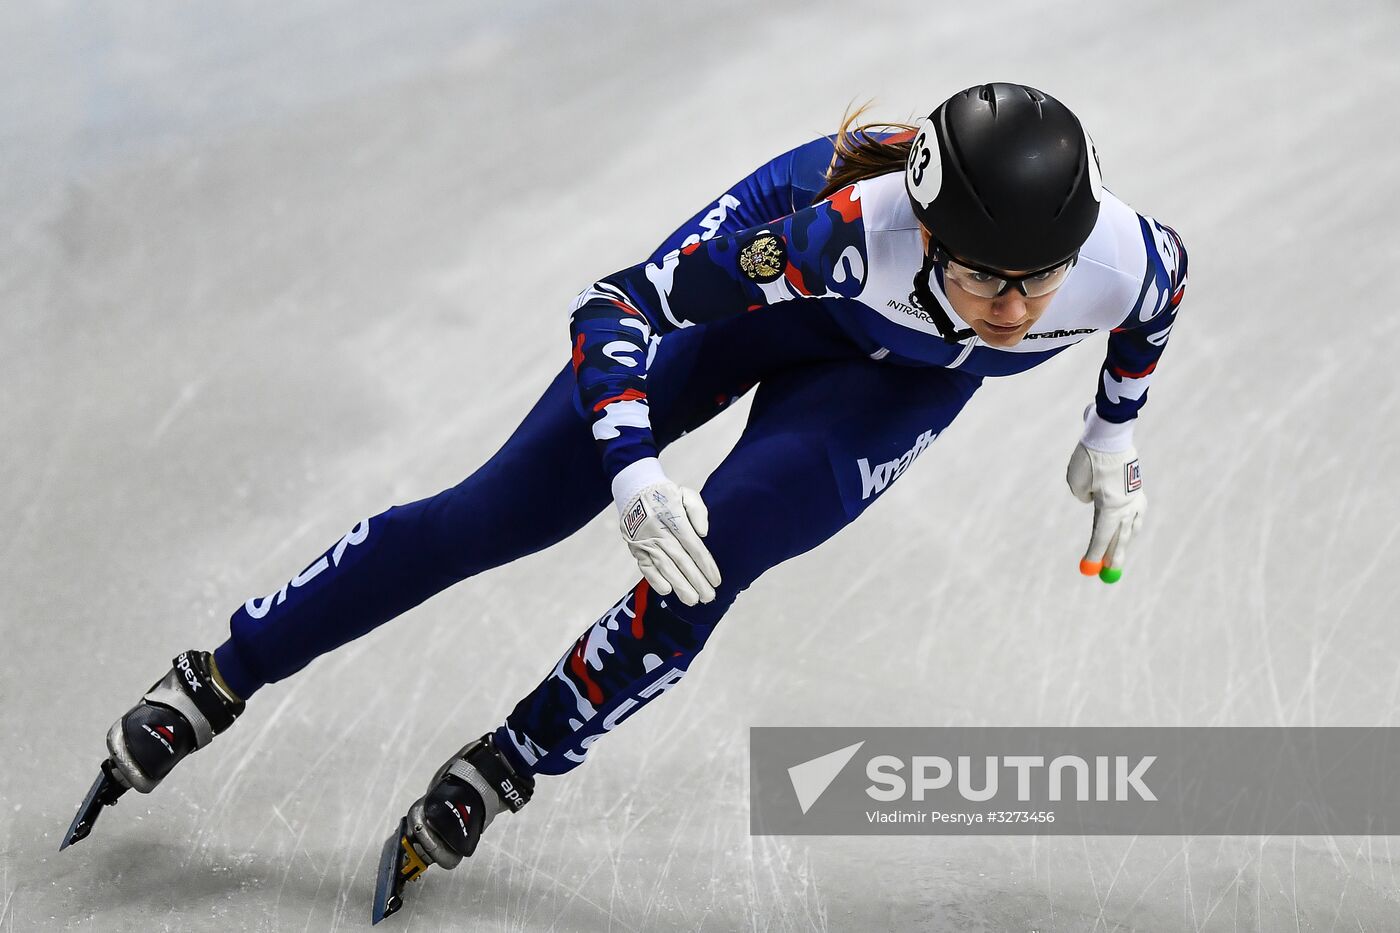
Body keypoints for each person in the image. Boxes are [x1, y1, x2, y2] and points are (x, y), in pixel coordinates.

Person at [63, 83, 1187, 919]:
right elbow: (614, 308)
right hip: (756, 309)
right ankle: (222, 675)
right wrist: (634, 467)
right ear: (928, 234)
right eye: (985, 275)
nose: (1014, 306)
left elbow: (1155, 302)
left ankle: (511, 761)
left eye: (1037, 280)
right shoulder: (830, 235)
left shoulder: (1115, 257)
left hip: (879, 390)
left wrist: (1112, 431)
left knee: (721, 549)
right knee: (495, 515)